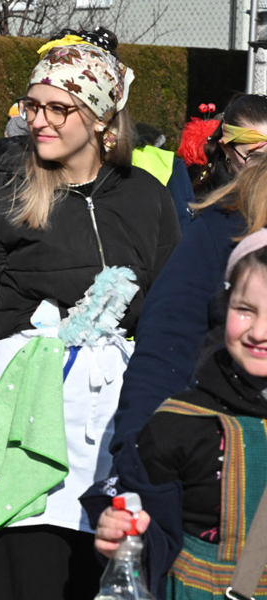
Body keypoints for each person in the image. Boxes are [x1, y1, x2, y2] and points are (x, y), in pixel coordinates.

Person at [0, 28, 179, 599]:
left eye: (58, 108)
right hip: (21, 423)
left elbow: (168, 318)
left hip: (115, 432)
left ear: (99, 118)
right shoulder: (3, 190)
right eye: (32, 105)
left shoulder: (145, 196)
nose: (38, 120)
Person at [90, 230, 267, 599]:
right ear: (224, 306)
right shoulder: (178, 424)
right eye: (245, 310)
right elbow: (154, 535)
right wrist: (124, 534)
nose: (259, 332)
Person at [110, 93, 267, 452]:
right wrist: (137, 451)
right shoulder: (217, 230)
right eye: (254, 156)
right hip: (234, 441)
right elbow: (168, 342)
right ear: (229, 153)